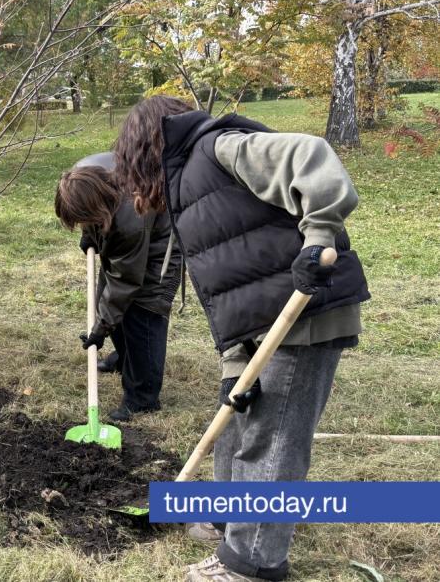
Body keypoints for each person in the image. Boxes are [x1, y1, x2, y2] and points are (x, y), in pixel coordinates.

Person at [113, 95, 370, 582]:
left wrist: (318, 239)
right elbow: (223, 290)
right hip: (256, 325)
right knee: (234, 423)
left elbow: (309, 156)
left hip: (304, 314)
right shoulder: (188, 191)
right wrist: (236, 365)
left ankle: (253, 562)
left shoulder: (219, 149)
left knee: (272, 441)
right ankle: (230, 519)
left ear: (146, 147)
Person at [55, 152, 182, 422]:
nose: (83, 225)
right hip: (125, 236)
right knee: (106, 297)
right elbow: (88, 210)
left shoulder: (130, 215)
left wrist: (101, 327)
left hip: (161, 246)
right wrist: (89, 236)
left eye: (87, 222)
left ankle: (142, 397)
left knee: (142, 314)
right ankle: (126, 358)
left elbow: (126, 281)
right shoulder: (81, 175)